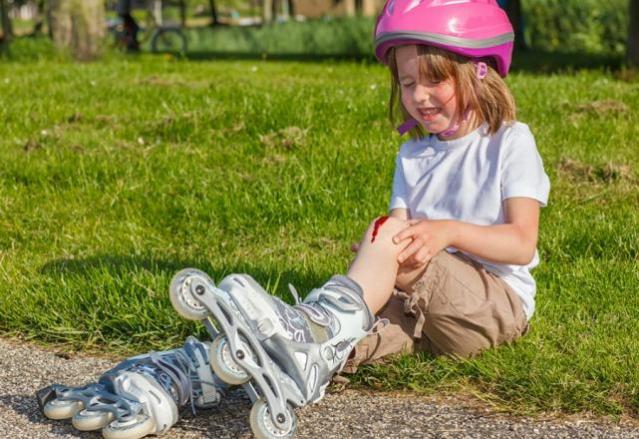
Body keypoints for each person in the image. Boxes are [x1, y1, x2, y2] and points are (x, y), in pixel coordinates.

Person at [38, 1, 550, 438]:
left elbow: (522, 244)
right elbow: (396, 244)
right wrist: (378, 255)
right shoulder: (412, 157)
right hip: (418, 313)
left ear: (478, 69)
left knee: (383, 250)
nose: (419, 96)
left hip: (490, 310)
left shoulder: (509, 141)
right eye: (408, 81)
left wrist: (445, 233)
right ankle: (190, 370)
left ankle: (314, 329)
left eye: (434, 79)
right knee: (334, 344)